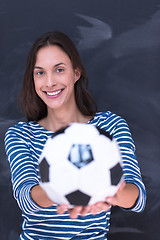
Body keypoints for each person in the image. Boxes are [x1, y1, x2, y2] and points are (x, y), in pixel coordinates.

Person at [5, 31, 146, 240]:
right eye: (40, 73)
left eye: (59, 70)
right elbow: (26, 199)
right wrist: (65, 185)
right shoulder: (20, 134)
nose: (50, 82)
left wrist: (107, 189)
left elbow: (138, 198)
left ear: (76, 73)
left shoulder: (110, 125)